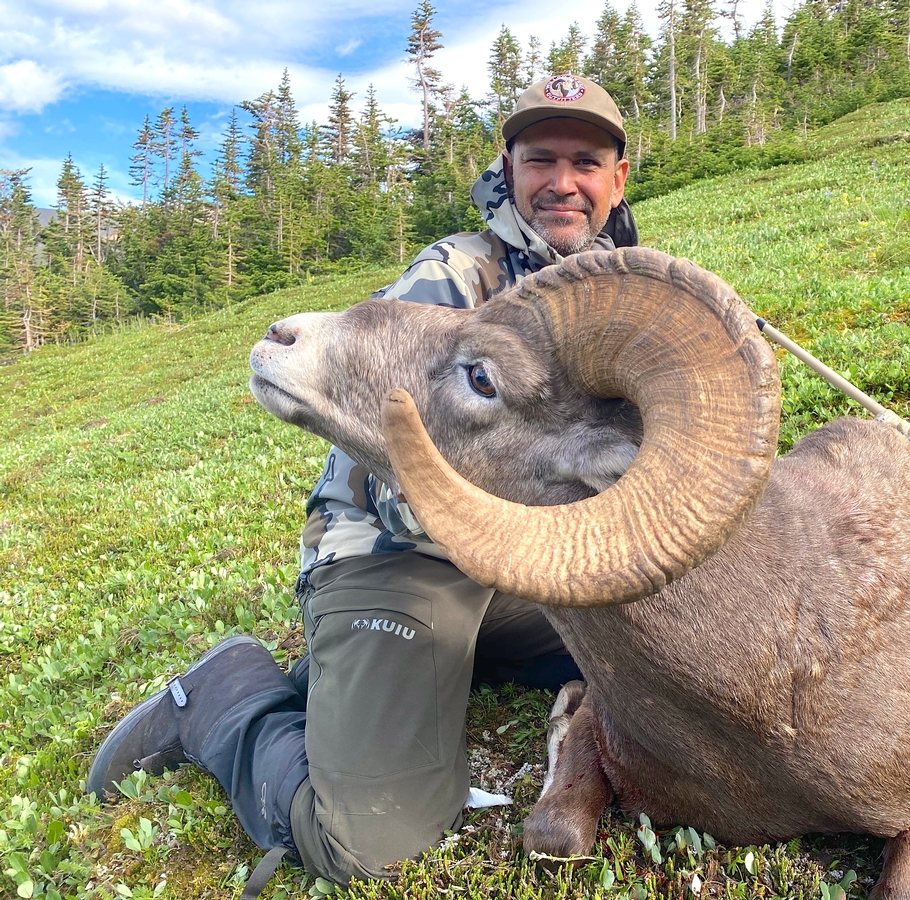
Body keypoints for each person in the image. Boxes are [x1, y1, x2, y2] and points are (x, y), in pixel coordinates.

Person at [87, 74, 634, 890]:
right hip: (401, 547)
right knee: (371, 840)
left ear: (617, 176)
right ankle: (221, 698)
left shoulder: (624, 287)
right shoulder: (455, 274)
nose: (562, 181)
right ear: (510, 168)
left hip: (522, 561)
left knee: (662, 656)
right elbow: (376, 433)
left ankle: (366, 681)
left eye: (584, 160)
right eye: (539, 159)